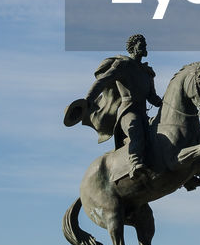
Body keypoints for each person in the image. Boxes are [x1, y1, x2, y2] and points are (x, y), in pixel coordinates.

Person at [64, 34, 162, 180]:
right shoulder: (123, 65)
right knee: (135, 129)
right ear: (133, 46)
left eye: (145, 44)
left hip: (143, 113)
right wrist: (88, 99)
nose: (144, 47)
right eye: (141, 44)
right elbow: (102, 81)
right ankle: (134, 162)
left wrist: (167, 104)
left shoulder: (147, 72)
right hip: (128, 112)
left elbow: (152, 97)